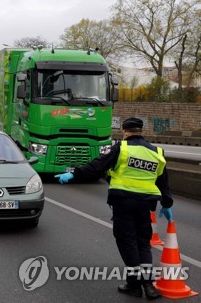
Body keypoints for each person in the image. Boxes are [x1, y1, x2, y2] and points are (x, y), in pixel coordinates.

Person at [54, 117, 173, 300]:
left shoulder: (121, 148)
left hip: (124, 202)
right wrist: (167, 204)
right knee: (143, 243)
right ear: (141, 131)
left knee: (127, 242)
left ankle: (135, 285)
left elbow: (97, 166)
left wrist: (73, 174)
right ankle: (148, 284)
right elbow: (162, 181)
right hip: (145, 205)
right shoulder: (157, 152)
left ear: (125, 132)